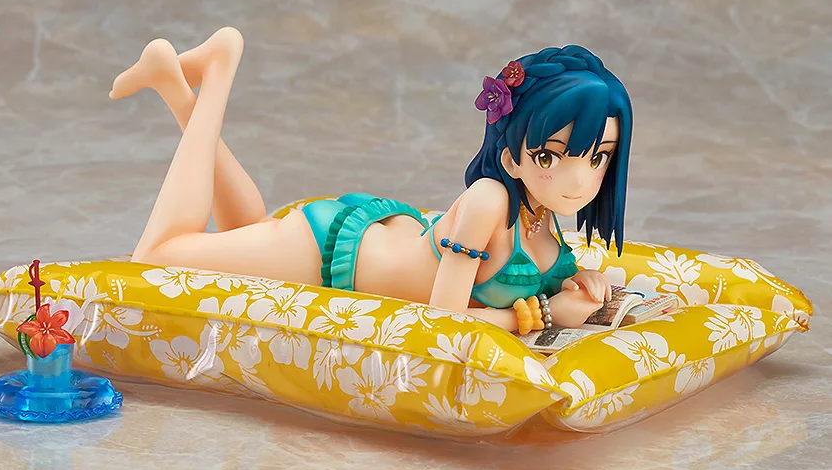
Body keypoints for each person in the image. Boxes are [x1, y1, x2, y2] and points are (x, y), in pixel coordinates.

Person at [110, 28, 633, 334]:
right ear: (512, 157)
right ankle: (218, 72)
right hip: (328, 254)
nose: (578, 180)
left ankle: (174, 84)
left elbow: (529, 275)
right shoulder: (489, 199)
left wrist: (581, 281)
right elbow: (442, 325)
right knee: (157, 257)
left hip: (378, 230)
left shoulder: (539, 210)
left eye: (598, 158)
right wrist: (544, 315)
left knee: (240, 233)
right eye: (550, 156)